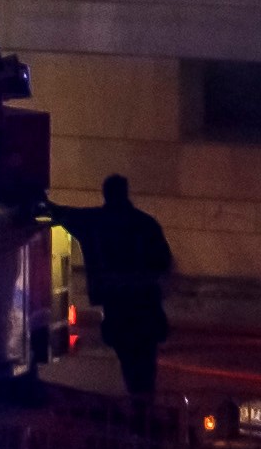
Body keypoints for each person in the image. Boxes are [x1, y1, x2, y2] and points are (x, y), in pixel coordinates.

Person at [38, 173, 179, 426]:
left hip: (120, 309)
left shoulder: (96, 222)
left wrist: (37, 201)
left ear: (106, 194)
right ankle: (143, 414)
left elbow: (63, 215)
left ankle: (140, 414)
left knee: (130, 363)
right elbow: (164, 263)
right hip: (145, 307)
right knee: (145, 365)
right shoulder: (145, 224)